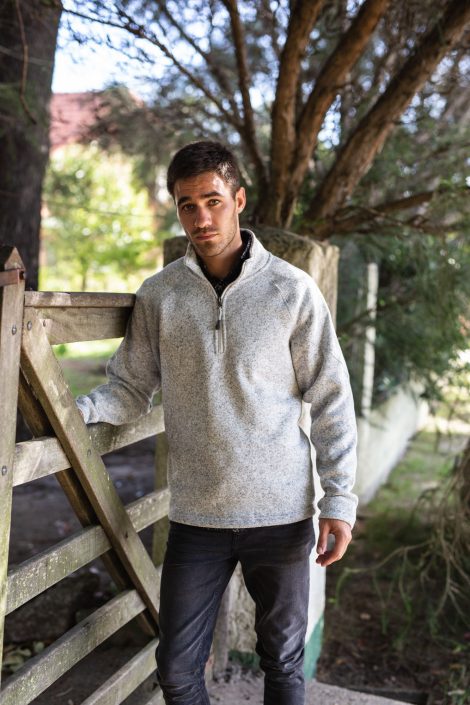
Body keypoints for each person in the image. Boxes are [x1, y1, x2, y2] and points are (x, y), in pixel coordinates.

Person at [76, 140, 358, 705]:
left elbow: (331, 398)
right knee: (177, 671)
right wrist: (76, 412)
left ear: (238, 199)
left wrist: (339, 501)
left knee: (282, 663)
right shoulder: (160, 296)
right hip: (197, 516)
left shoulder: (291, 291)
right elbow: (130, 389)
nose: (201, 218)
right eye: (188, 205)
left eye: (213, 201)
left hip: (281, 513)